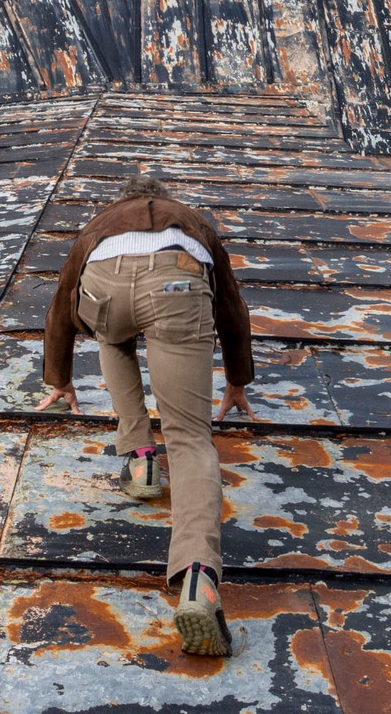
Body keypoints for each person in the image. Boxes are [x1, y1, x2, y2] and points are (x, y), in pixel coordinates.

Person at [38, 175, 255, 656]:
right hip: (176, 285)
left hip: (105, 288)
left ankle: (140, 460)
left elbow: (62, 302)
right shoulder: (192, 222)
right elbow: (229, 306)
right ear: (164, 197)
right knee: (191, 439)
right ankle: (199, 581)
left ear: (123, 200)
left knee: (110, 332)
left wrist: (60, 378)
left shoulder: (100, 224)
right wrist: (237, 380)